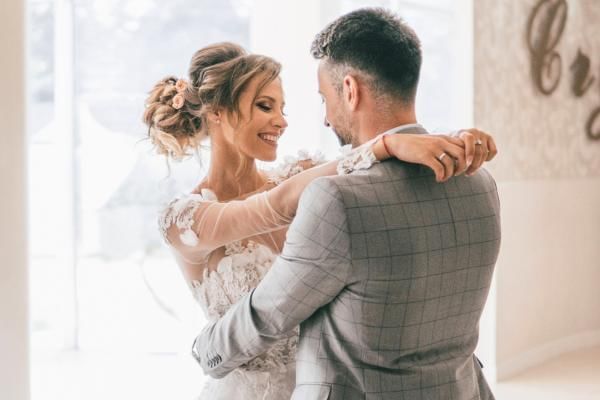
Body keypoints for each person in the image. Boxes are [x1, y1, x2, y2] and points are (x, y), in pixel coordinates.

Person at [144, 40, 496, 398]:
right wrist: (386, 145)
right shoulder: (185, 219)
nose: (281, 121)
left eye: (283, 107)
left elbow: (376, 181)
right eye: (265, 106)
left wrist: (457, 143)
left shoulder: (304, 175)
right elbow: (273, 207)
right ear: (217, 112)